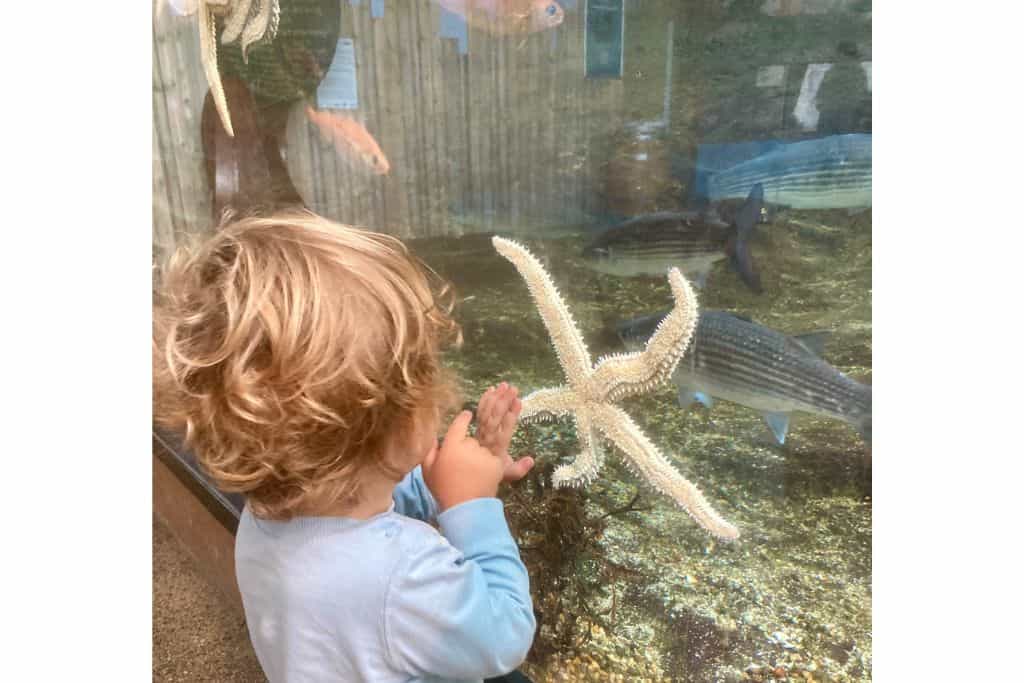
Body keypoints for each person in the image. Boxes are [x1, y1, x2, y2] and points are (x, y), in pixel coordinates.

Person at [153, 210, 538, 683]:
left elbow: (365, 491)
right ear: (387, 428)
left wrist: (451, 478)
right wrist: (473, 505)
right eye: (424, 371)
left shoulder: (265, 517)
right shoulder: (402, 578)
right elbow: (505, 635)